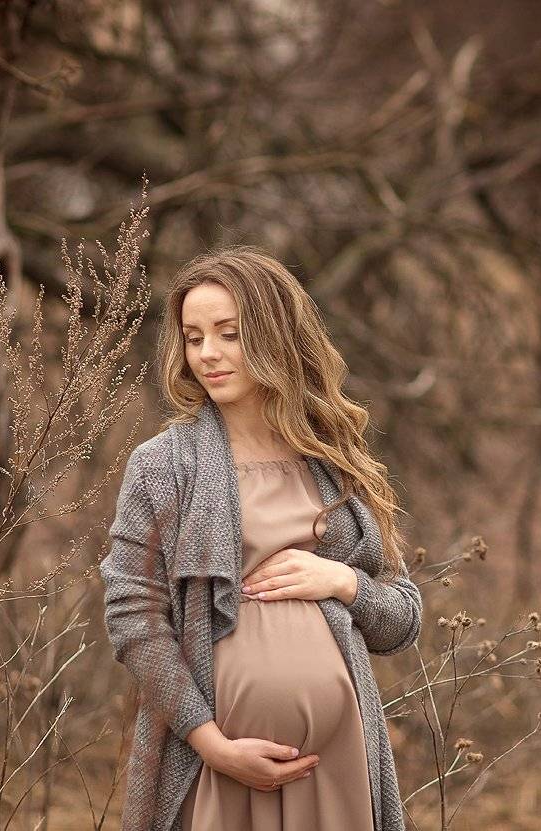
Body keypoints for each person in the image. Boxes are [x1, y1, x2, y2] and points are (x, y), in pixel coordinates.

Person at [100, 245, 422, 831]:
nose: (208, 354)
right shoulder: (164, 466)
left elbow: (401, 620)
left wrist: (345, 582)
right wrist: (211, 743)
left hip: (338, 764)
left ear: (275, 336)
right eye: (193, 338)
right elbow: (133, 616)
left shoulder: (334, 461)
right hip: (215, 766)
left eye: (229, 334)